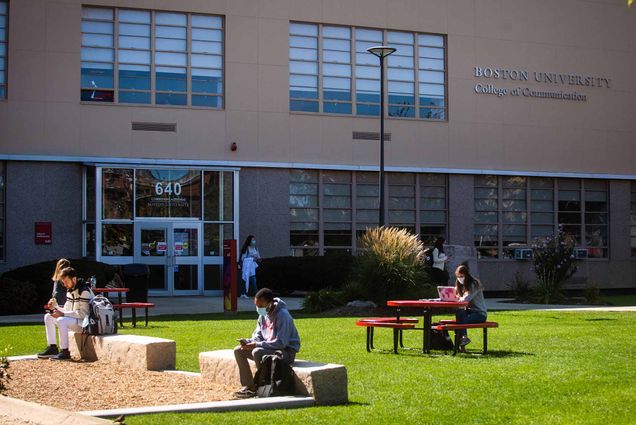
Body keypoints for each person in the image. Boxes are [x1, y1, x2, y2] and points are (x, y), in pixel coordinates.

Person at [233, 288, 301, 398]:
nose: (258, 309)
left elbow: (281, 343)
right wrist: (248, 342)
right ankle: (249, 387)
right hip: (268, 348)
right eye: (257, 306)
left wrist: (256, 345)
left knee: (257, 351)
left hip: (285, 352)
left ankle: (263, 385)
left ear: (270, 303)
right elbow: (258, 336)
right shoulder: (263, 315)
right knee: (238, 351)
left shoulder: (283, 315)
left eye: (261, 306)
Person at [37, 267, 93, 361]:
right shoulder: (71, 290)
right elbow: (67, 309)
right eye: (63, 282)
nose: (64, 284)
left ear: (74, 279)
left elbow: (83, 314)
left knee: (61, 320)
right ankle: (53, 347)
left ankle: (65, 352)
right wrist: (56, 307)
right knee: (48, 317)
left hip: (85, 324)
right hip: (76, 321)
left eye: (66, 281)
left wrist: (62, 314)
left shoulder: (84, 291)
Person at [454, 264, 487, 352]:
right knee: (459, 313)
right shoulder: (460, 285)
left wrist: (457, 298)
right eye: (458, 276)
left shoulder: (474, 284)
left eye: (462, 276)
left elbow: (466, 299)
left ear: (466, 275)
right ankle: (462, 343)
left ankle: (462, 341)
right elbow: (456, 296)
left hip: (479, 314)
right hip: (469, 312)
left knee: (460, 322)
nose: (460, 278)